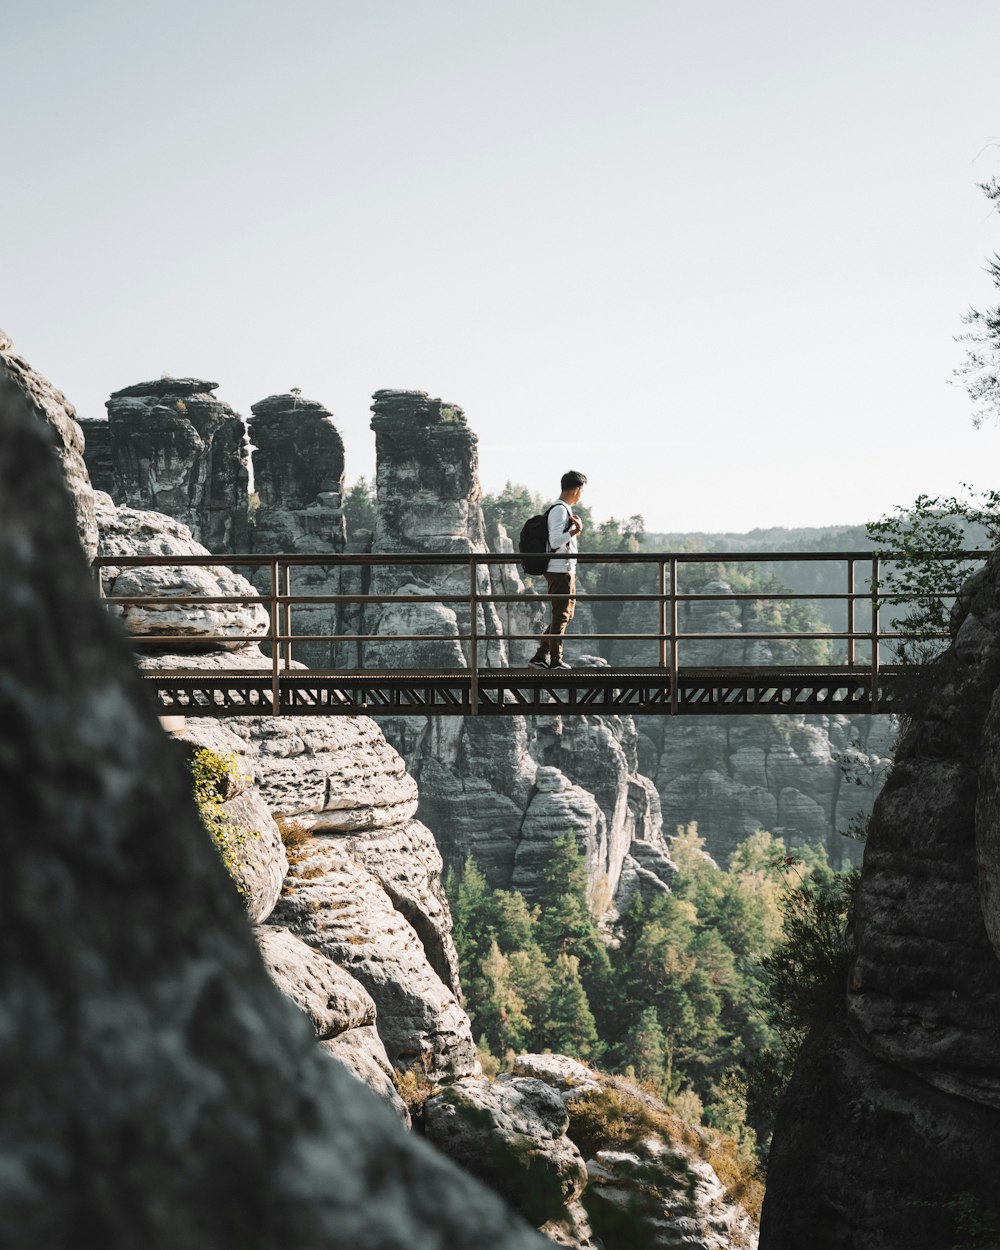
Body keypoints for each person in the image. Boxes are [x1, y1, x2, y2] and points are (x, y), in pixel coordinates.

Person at [529, 470, 587, 669]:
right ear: (576, 490)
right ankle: (555, 660)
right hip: (559, 569)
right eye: (581, 491)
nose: (581, 495)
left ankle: (540, 656)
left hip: (564, 569)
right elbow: (555, 541)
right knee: (561, 615)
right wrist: (575, 530)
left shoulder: (563, 510)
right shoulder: (560, 510)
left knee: (565, 615)